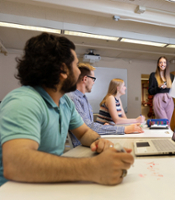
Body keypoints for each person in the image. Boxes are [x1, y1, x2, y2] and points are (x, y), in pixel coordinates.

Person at [0, 33, 133, 187]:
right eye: (76, 65)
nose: (78, 72)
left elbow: (83, 133)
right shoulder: (24, 102)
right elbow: (17, 165)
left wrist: (99, 142)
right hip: (14, 191)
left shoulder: (65, 102)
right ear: (63, 70)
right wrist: (92, 168)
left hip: (43, 184)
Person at [68, 63, 143, 147]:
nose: (93, 82)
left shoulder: (83, 98)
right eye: (93, 79)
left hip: (90, 142)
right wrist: (124, 129)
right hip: (82, 147)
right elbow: (88, 128)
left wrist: (104, 127)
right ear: (85, 79)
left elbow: (90, 125)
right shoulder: (73, 98)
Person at [148, 56, 174, 124]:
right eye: (161, 62)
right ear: (158, 64)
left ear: (167, 64)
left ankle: (168, 135)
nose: (163, 64)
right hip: (158, 99)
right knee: (164, 123)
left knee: (168, 123)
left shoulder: (171, 76)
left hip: (169, 100)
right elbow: (150, 91)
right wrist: (158, 87)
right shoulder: (153, 75)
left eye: (164, 62)